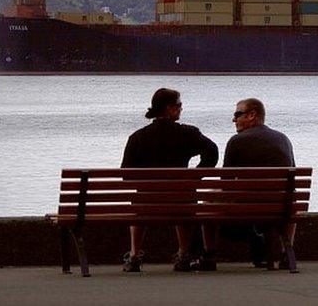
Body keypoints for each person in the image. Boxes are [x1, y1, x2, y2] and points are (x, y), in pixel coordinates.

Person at [120, 88, 218, 273]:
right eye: (179, 105)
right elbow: (212, 151)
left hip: (146, 203)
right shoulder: (188, 134)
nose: (181, 109)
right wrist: (195, 176)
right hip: (180, 200)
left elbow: (126, 174)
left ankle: (134, 256)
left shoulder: (138, 137)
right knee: (185, 197)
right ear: (169, 108)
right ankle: (183, 254)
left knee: (138, 202)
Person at [194, 98, 295, 270]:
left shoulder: (237, 141)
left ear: (252, 115)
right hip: (279, 206)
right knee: (291, 203)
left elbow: (226, 183)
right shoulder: (283, 138)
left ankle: (209, 256)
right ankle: (287, 254)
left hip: (246, 205)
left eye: (237, 114)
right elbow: (290, 178)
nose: (234, 119)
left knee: (207, 202)